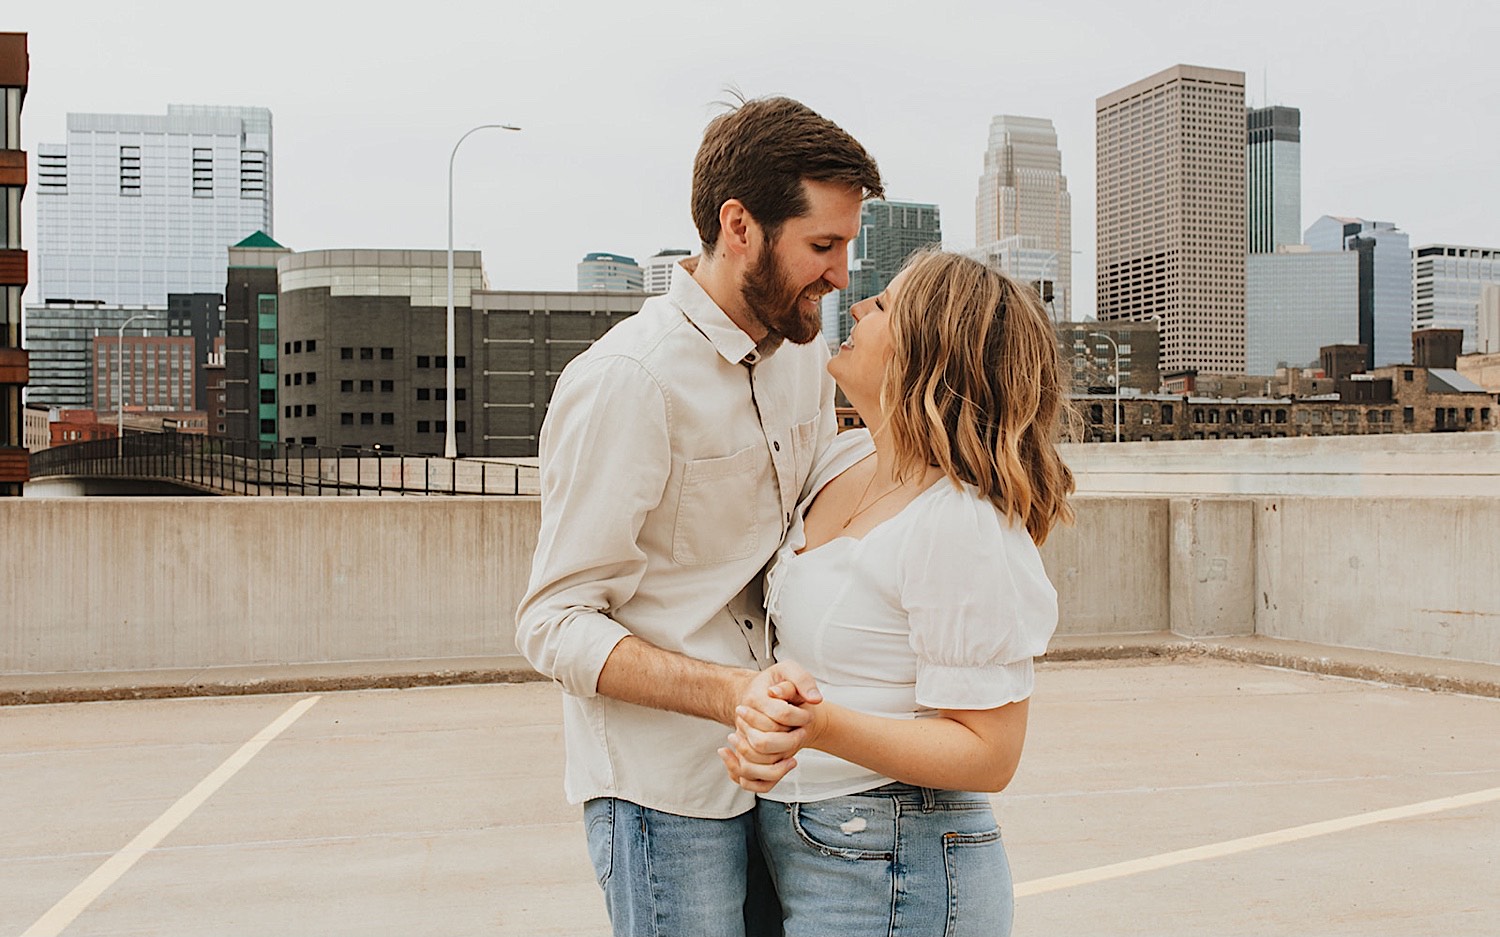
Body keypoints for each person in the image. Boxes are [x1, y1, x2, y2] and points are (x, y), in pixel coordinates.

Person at [515, 96, 884, 937]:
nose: (841, 276)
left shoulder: (798, 360)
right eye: (823, 246)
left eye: (847, 248)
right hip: (662, 793)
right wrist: (731, 694)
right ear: (740, 225)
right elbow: (554, 623)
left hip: (783, 775)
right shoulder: (628, 381)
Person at [719, 250, 1075, 937]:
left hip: (895, 864)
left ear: (929, 350)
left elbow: (989, 752)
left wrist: (819, 726)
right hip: (797, 846)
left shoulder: (960, 520)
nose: (854, 306)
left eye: (882, 305)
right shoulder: (844, 460)